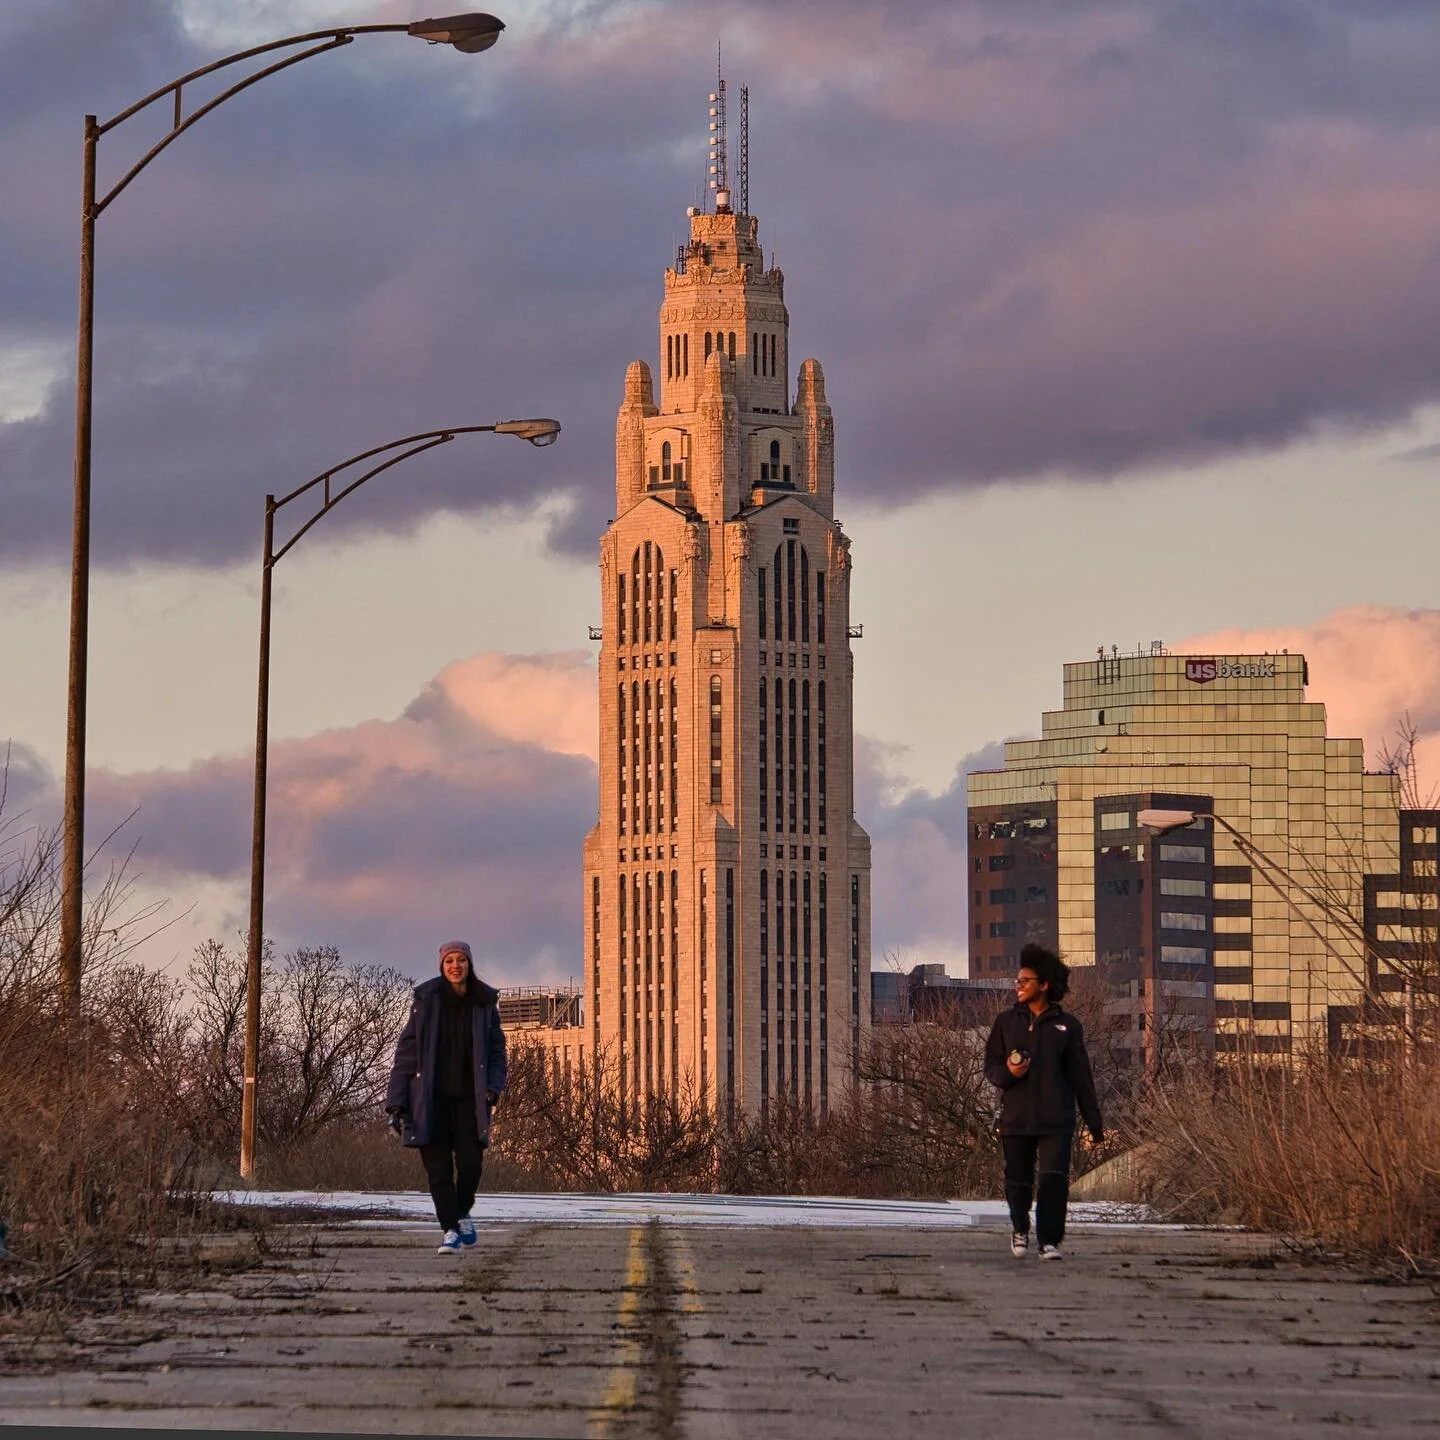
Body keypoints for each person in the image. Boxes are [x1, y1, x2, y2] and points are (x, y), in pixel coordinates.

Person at [385, 940, 507, 1255]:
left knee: (470, 1165)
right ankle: (451, 1230)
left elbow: (496, 1052)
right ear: (441, 965)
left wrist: (493, 1087)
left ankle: (461, 1211)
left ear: (469, 964)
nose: (455, 966)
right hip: (429, 1101)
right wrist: (396, 1102)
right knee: (438, 1171)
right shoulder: (426, 1001)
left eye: (461, 960)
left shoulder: (483, 1002)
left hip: (470, 1100)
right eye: (449, 960)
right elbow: (406, 1054)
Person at [984, 942, 1103, 1261]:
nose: (1018, 987)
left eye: (1025, 982)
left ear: (1045, 985)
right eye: (1016, 982)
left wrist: (1094, 1122)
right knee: (1017, 1181)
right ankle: (1020, 1227)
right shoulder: (1006, 1022)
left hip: (1056, 1119)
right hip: (1016, 1118)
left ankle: (1049, 1240)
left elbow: (1081, 1076)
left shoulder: (1068, 1026)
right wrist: (1009, 1071)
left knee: (1053, 1180)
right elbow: (990, 1067)